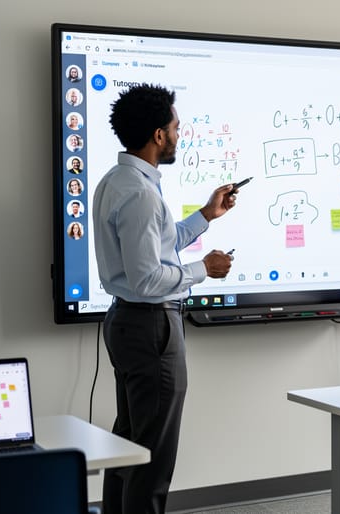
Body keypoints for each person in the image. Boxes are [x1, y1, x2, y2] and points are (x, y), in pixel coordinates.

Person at [93, 83, 237, 514]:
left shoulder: (119, 181)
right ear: (158, 135)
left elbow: (159, 242)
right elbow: (147, 279)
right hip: (150, 324)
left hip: (128, 322)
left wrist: (206, 216)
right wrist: (202, 270)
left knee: (130, 443)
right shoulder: (139, 193)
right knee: (153, 455)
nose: (178, 135)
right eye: (175, 128)